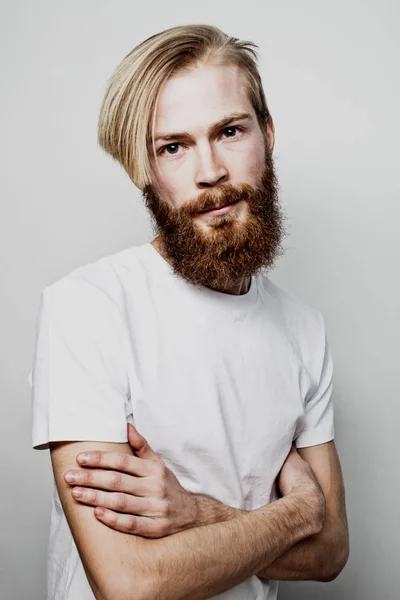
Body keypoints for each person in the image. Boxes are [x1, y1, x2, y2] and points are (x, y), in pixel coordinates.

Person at [29, 23, 349, 600]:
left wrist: (197, 513)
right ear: (144, 171)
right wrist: (300, 512)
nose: (211, 172)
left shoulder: (304, 328)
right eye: (173, 147)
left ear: (268, 133)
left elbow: (331, 552)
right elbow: (130, 583)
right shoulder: (89, 307)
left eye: (229, 131)